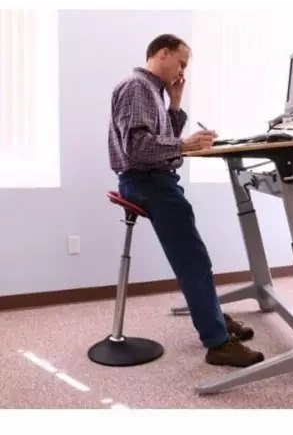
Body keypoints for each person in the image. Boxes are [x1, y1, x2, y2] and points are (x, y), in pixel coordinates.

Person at [108, 34, 264, 367]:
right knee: (194, 259)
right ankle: (217, 342)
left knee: (196, 256)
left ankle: (215, 319)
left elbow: (160, 136)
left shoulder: (151, 90)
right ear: (162, 53)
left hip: (154, 180)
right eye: (181, 62)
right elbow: (138, 148)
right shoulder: (137, 87)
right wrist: (186, 145)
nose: (182, 71)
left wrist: (175, 103)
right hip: (147, 181)